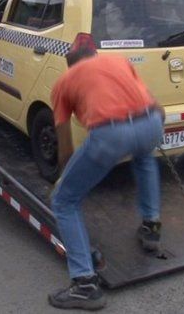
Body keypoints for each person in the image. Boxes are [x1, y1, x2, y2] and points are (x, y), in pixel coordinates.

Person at [47, 42, 165, 310]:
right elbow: (155, 103)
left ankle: (85, 285)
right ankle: (151, 227)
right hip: (151, 122)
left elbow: (65, 144)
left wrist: (64, 178)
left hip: (111, 134)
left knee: (64, 201)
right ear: (94, 56)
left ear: (71, 64)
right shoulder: (118, 61)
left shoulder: (64, 82)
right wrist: (152, 129)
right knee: (145, 158)